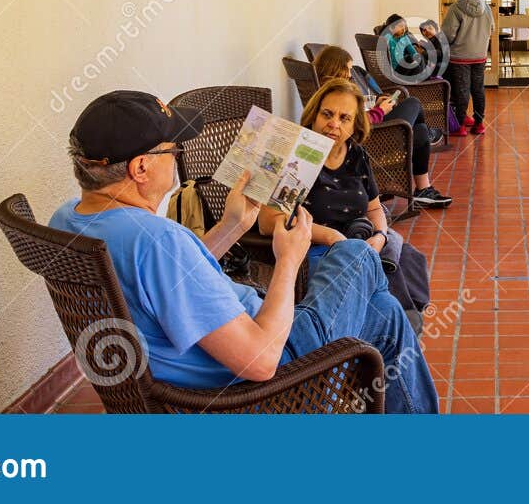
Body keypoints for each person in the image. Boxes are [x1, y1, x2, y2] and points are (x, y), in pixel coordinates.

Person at [48, 89, 437, 413]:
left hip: (204, 363)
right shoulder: (157, 240)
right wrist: (288, 259)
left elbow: (174, 279)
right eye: (173, 150)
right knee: (356, 254)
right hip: (261, 379)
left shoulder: (67, 220)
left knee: (384, 315)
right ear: (141, 168)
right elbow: (262, 361)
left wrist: (233, 226)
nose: (179, 157)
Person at [258, 79, 433, 328]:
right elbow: (268, 222)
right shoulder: (299, 154)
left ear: (355, 125)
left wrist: (381, 235)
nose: (334, 124)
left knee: (399, 281)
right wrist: (330, 237)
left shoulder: (355, 153)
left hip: (357, 243)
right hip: (313, 251)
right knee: (381, 302)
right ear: (313, 115)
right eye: (327, 114)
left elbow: (374, 207)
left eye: (344, 118)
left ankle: (391, 338)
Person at [312, 44, 451, 209]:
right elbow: (355, 125)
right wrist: (380, 110)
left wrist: (375, 104)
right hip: (373, 140)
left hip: (374, 133)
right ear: (337, 69)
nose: (350, 75)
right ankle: (429, 136)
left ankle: (423, 189)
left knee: (419, 132)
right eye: (348, 70)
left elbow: (354, 114)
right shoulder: (335, 96)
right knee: (413, 103)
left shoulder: (330, 92)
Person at [442, 0, 493, 137]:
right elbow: (491, 29)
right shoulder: (485, 7)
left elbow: (448, 35)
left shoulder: (456, 8)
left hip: (460, 57)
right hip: (480, 55)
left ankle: (459, 126)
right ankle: (479, 124)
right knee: (478, 89)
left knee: (461, 90)